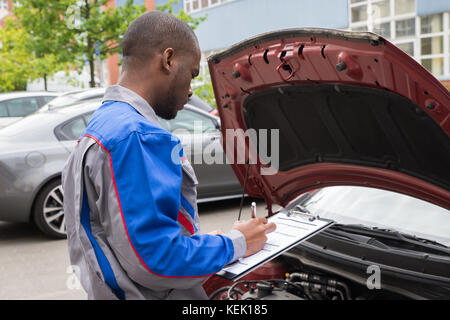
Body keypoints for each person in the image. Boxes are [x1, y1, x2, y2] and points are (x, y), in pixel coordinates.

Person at [62, 11, 276, 300]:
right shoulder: (136, 136)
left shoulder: (99, 127)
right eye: (192, 73)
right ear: (168, 60)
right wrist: (236, 242)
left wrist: (204, 242)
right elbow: (155, 260)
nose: (190, 90)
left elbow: (122, 239)